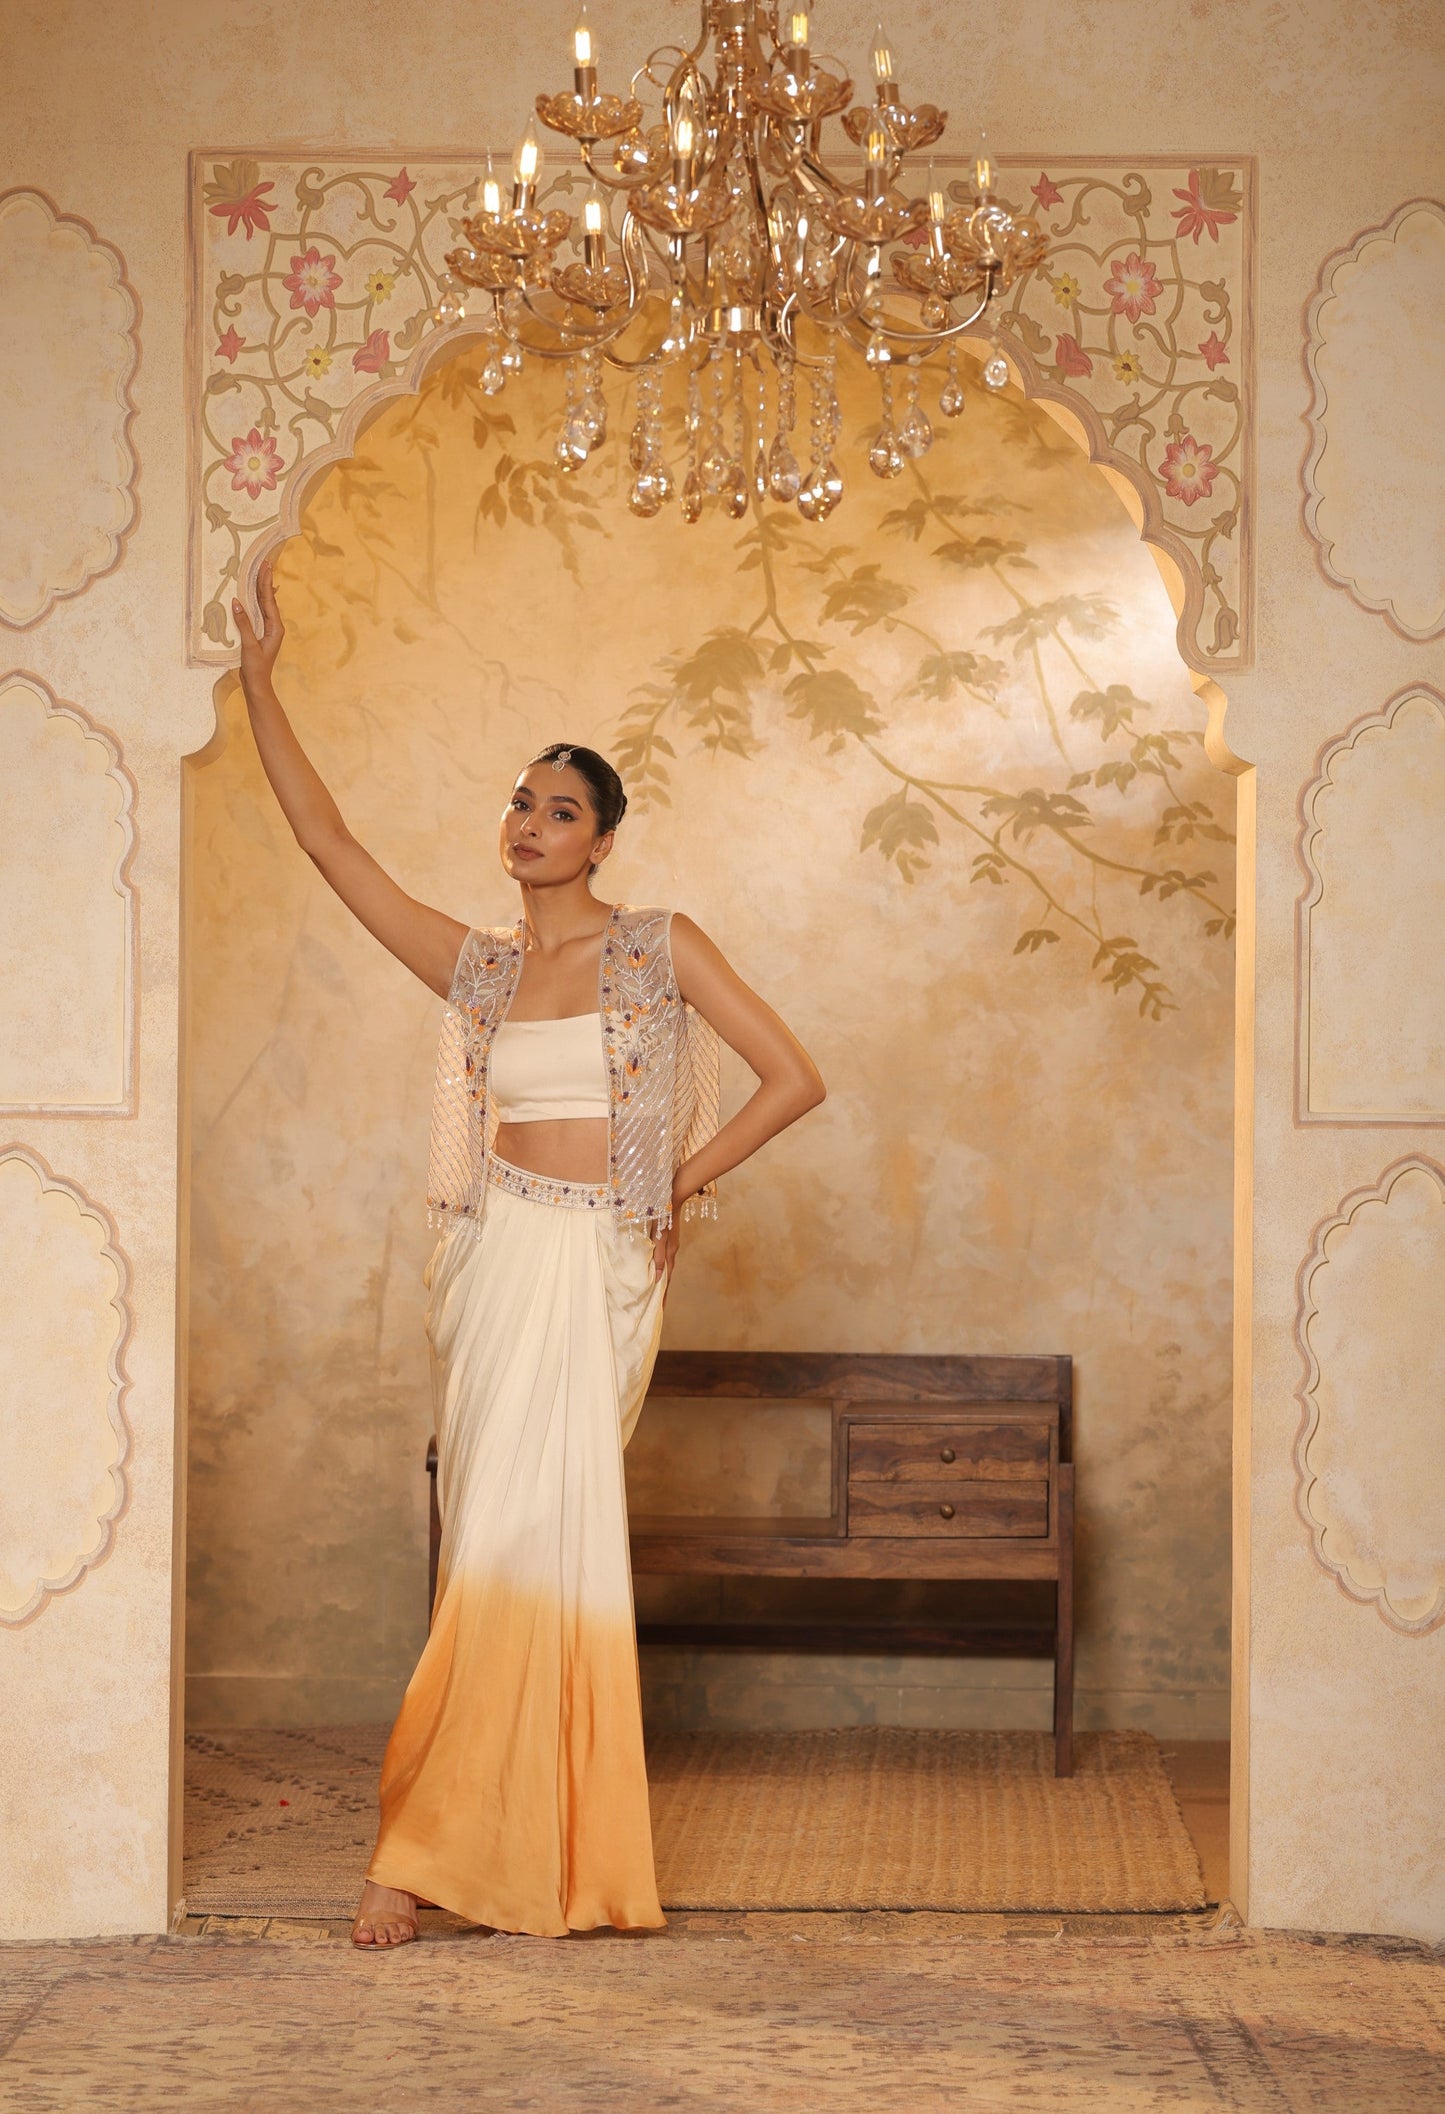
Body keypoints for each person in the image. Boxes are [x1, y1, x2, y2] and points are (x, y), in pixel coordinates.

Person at [233, 561, 826, 1948]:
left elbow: (795, 1077)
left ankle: (534, 1845)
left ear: (603, 839)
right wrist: (258, 681)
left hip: (600, 1266)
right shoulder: (479, 968)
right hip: (502, 1257)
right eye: (520, 801)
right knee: (490, 1541)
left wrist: (670, 1181)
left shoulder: (661, 947)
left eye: (561, 810)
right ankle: (420, 1850)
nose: (531, 823)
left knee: (558, 1548)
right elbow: (329, 846)